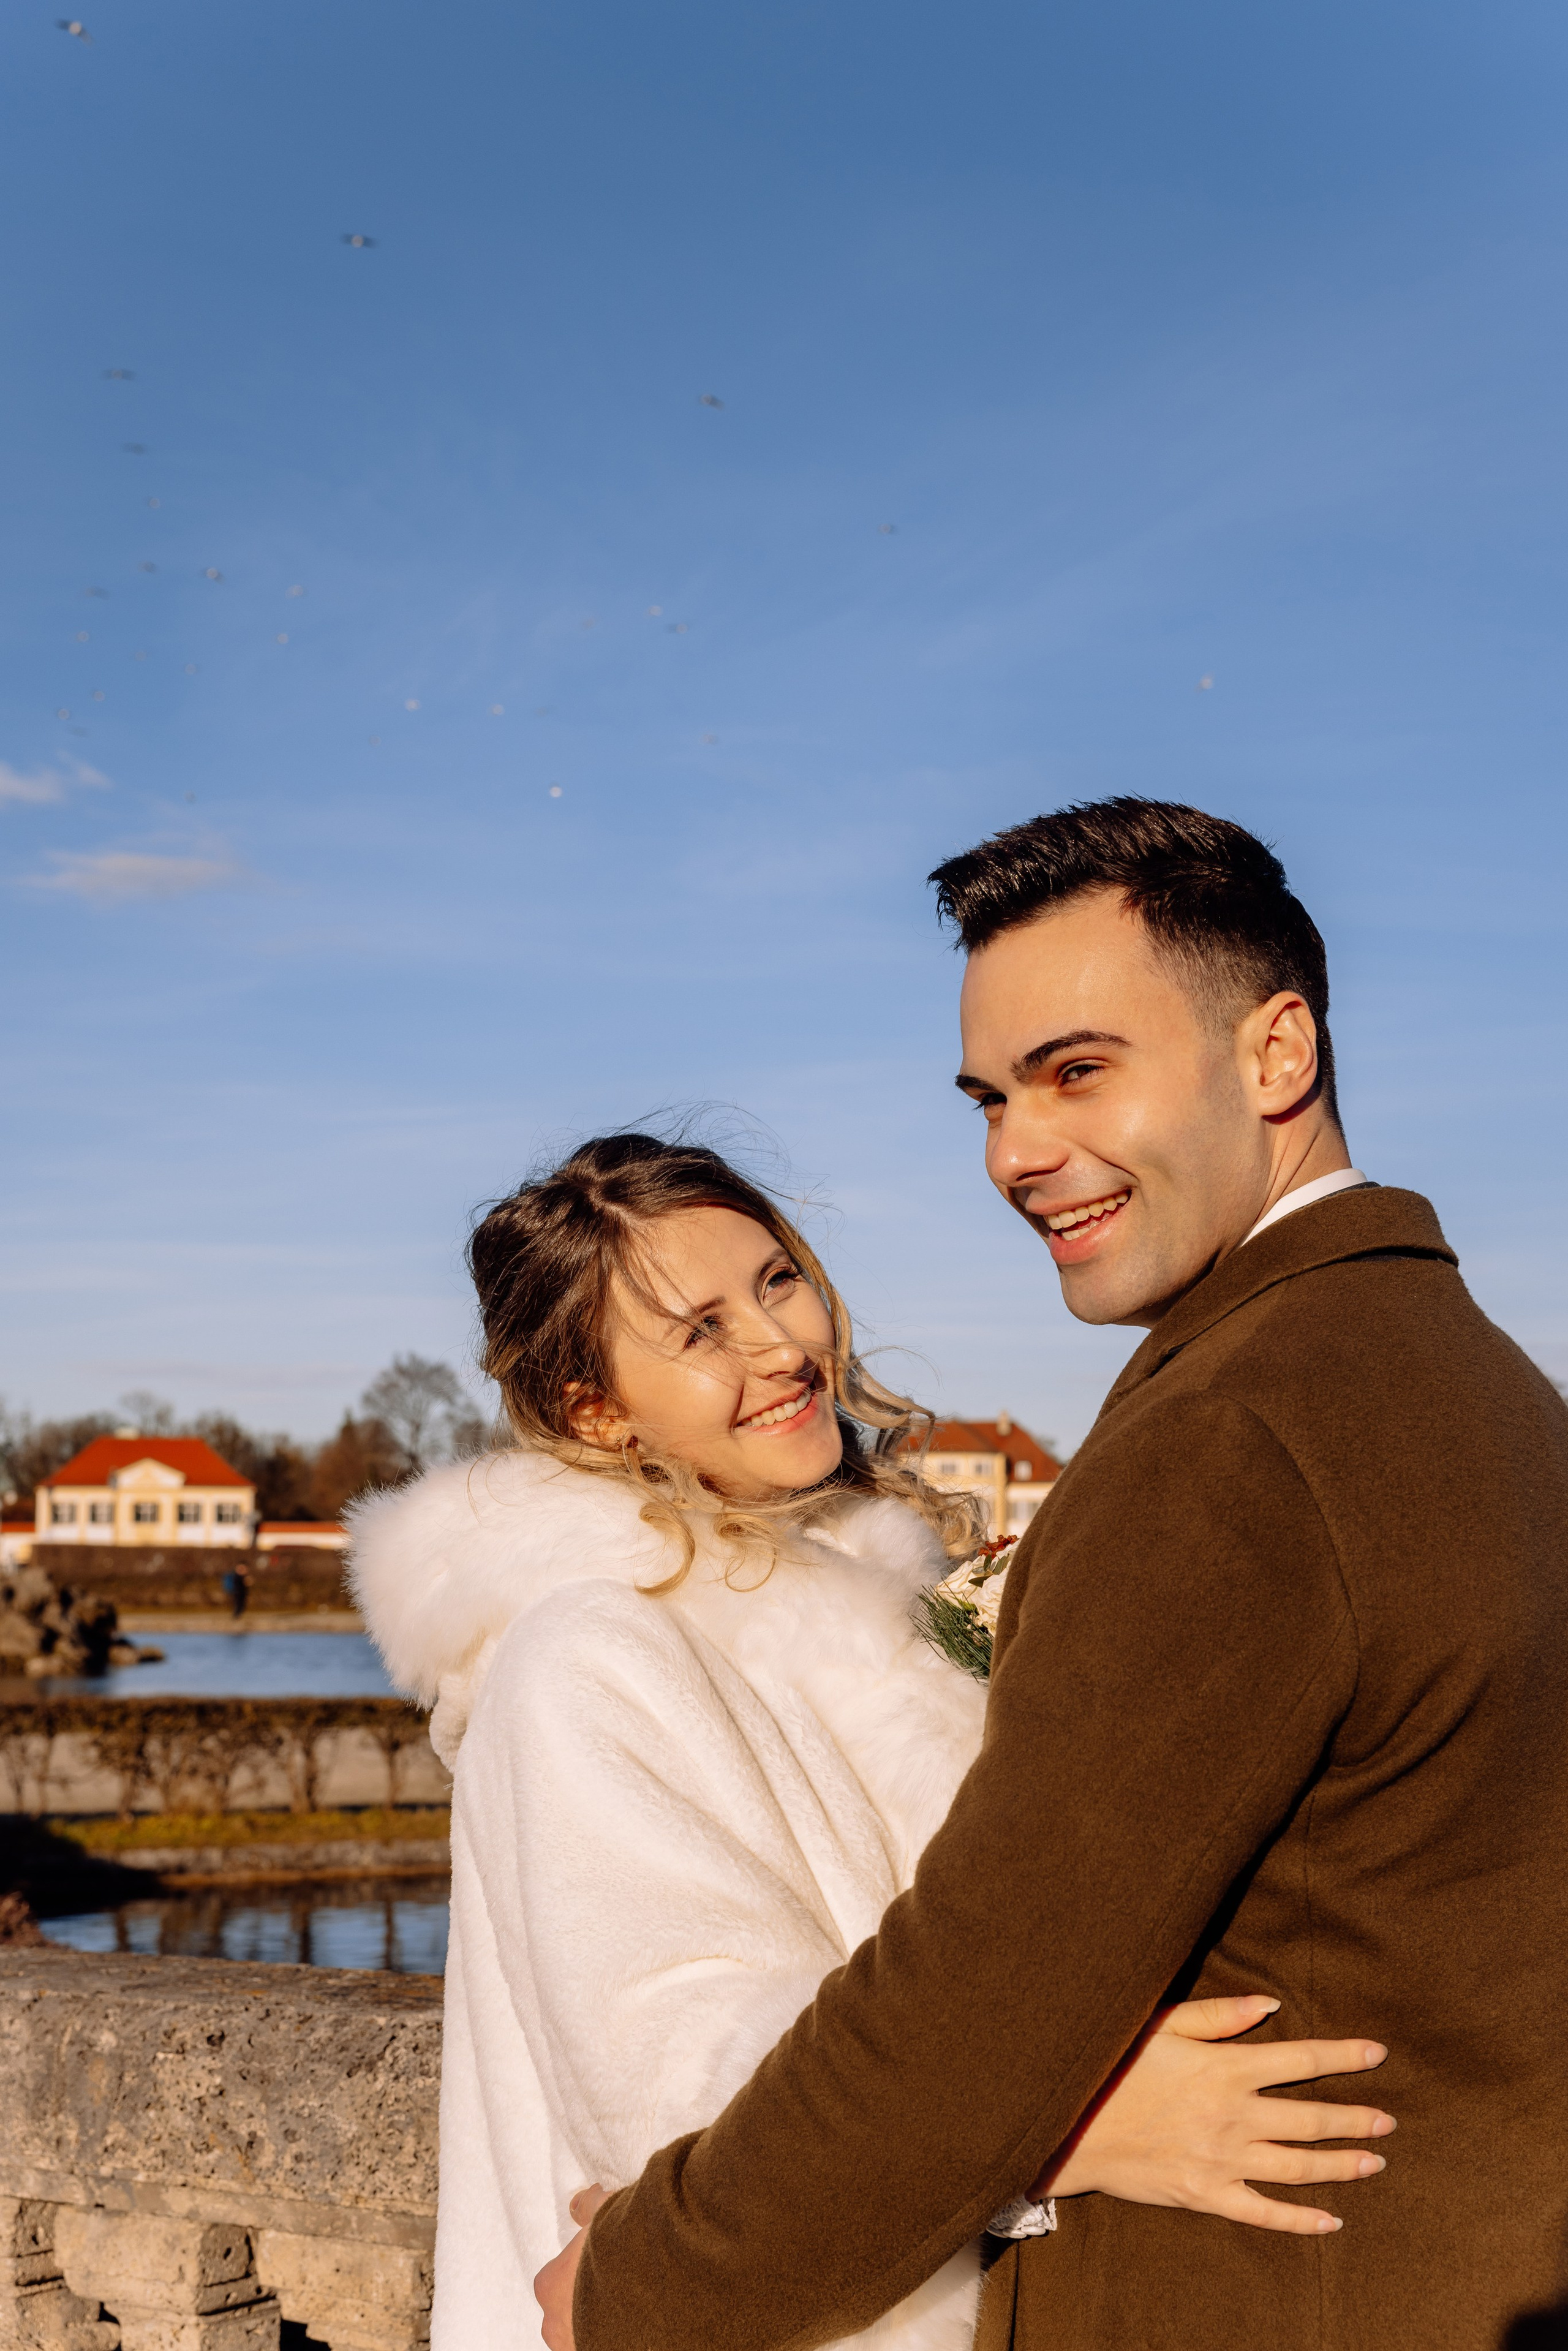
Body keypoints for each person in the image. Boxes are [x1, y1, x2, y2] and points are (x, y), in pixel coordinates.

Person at [546, 799, 1568, 2351]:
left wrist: (644, 2282)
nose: (1015, 1151)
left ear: (1272, 1053)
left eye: (1077, 1070)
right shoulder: (1483, 1383)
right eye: (988, 1096)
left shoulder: (1229, 1432)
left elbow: (969, 2019)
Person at [349, 1128, 1392, 2351]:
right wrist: (1081, 2127)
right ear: (594, 1406)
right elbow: (698, 2111)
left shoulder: (849, 1597)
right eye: (698, 1330)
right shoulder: (579, 1659)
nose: (779, 1344)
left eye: (775, 1279)